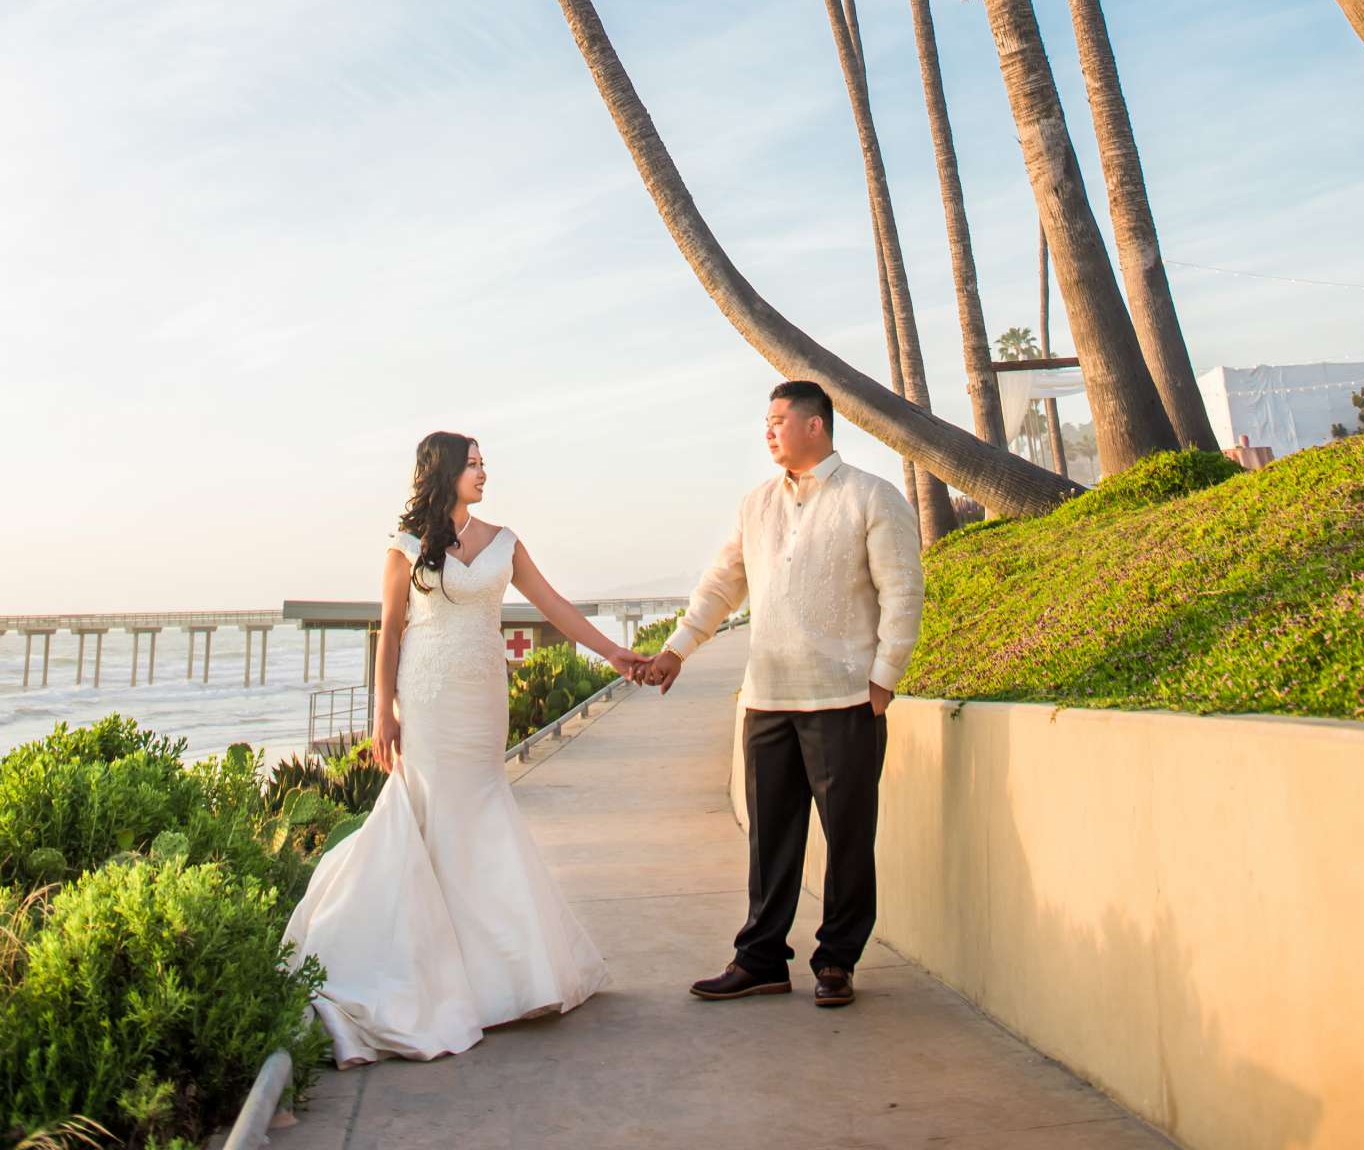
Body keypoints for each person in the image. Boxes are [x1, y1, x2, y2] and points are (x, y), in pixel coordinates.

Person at [282, 430, 642, 1061]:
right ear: (443, 472)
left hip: (481, 699)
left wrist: (613, 651)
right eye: (472, 464)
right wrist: (382, 717)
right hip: (426, 697)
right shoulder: (404, 549)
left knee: (482, 808)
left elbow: (554, 606)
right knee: (434, 811)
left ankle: (504, 972)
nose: (483, 473)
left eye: (483, 463)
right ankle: (430, 969)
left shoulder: (504, 543)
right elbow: (390, 634)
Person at [642, 381, 923, 1010]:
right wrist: (677, 650)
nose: (767, 431)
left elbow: (902, 593)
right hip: (767, 699)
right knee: (769, 838)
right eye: (765, 421)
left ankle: (837, 961)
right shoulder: (757, 505)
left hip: (845, 699)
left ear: (815, 425)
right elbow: (721, 585)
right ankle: (761, 958)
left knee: (849, 837)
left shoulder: (872, 498)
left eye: (777, 420)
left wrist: (882, 681)